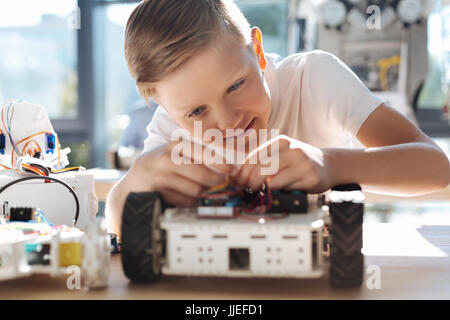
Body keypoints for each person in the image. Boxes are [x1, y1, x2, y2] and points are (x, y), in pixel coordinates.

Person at [105, 0, 449, 237]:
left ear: (256, 50)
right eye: (197, 111)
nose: (228, 121)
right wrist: (137, 179)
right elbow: (116, 224)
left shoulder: (313, 78)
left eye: (236, 85)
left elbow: (435, 167)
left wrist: (330, 165)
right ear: (161, 104)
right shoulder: (171, 127)